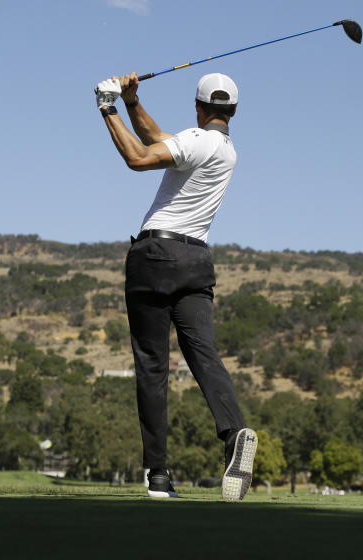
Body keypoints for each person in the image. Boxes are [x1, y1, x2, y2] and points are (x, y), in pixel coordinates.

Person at [94, 71, 256, 501]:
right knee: (203, 352)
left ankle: (158, 475)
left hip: (155, 256)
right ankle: (234, 432)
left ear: (199, 109)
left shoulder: (194, 140)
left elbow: (139, 157)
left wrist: (106, 108)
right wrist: (131, 101)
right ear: (233, 112)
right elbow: (156, 137)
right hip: (196, 260)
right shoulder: (223, 150)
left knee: (152, 364)